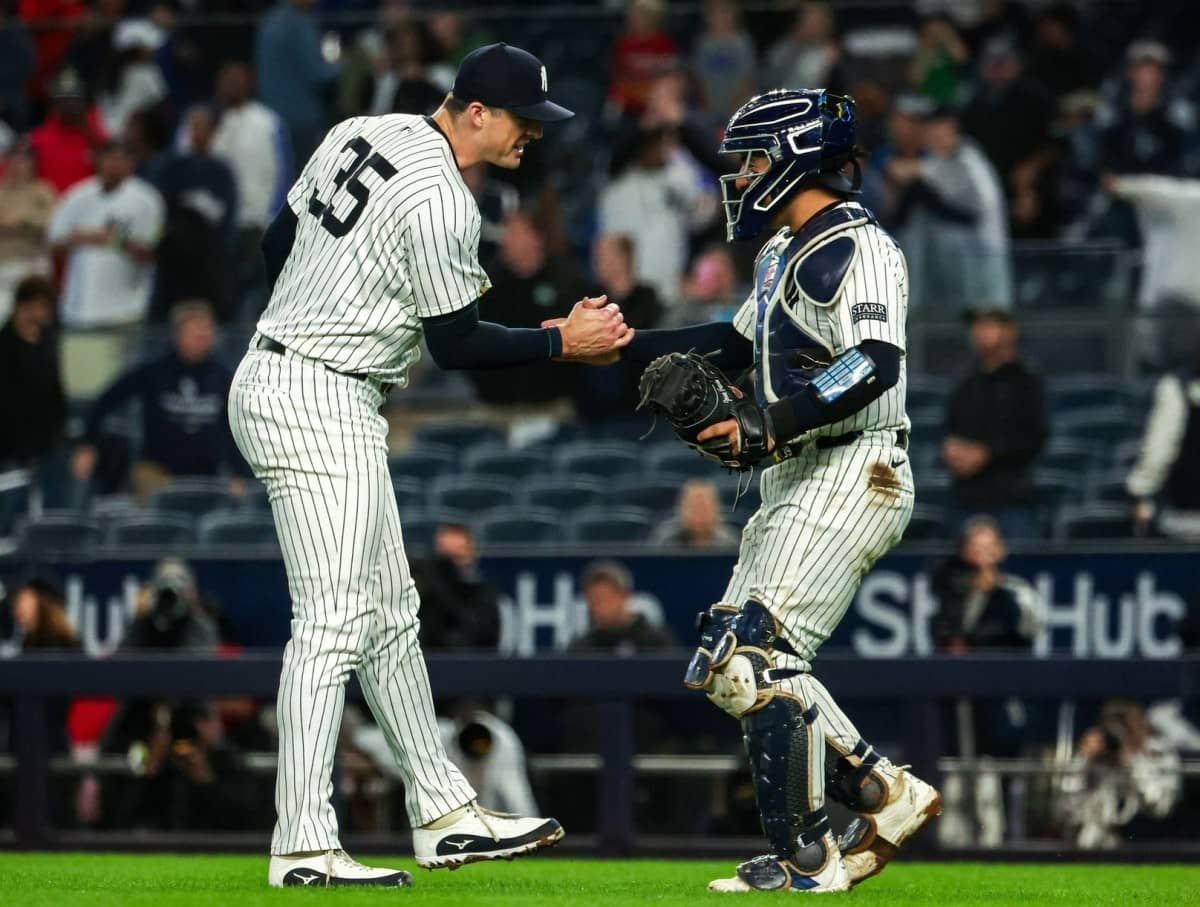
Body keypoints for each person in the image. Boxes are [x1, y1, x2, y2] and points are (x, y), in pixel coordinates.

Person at [228, 43, 631, 887]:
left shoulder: (361, 129)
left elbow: (277, 242)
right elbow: (458, 346)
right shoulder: (442, 199)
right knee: (335, 621)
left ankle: (444, 811)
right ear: (475, 112)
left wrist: (314, 314)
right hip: (315, 391)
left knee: (390, 612)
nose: (533, 135)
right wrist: (563, 338)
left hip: (296, 375)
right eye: (522, 120)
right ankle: (302, 842)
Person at [614, 89, 939, 892]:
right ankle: (878, 789)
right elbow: (730, 342)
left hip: (856, 462)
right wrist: (613, 345)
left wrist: (767, 423)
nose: (744, 175)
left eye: (754, 158)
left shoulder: (861, 247)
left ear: (795, 155)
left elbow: (875, 363)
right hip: (799, 468)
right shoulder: (779, 251)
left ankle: (810, 854)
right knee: (730, 663)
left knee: (753, 652)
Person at [70, 301, 248, 500]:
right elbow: (107, 400)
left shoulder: (223, 375)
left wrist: (239, 473)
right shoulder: (153, 369)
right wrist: (87, 444)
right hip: (157, 471)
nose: (203, 336)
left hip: (209, 476)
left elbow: (237, 426)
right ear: (178, 335)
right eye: (196, 331)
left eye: (207, 330)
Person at [888, 104, 1011, 312]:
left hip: (983, 260)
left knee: (988, 323)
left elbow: (974, 211)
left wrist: (916, 180)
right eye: (928, 130)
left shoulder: (969, 159)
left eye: (936, 129)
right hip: (954, 266)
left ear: (951, 127)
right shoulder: (941, 159)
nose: (930, 136)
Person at [942, 310, 1048, 540]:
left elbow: (1035, 437)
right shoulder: (965, 381)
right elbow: (949, 430)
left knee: (1018, 569)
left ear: (1010, 331)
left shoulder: (1026, 381)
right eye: (976, 325)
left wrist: (987, 453)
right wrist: (951, 450)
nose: (979, 331)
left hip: (1011, 499)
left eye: (988, 324)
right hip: (966, 497)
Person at [46, 139, 165, 328]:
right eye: (109, 158)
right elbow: (54, 243)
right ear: (98, 160)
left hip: (126, 307)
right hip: (79, 305)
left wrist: (114, 239)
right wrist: (81, 238)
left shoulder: (147, 199)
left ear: (132, 163)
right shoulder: (78, 194)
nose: (114, 164)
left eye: (121, 159)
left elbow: (151, 251)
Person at [206, 61, 291, 317]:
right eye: (226, 79)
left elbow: (284, 172)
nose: (231, 85)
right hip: (217, 225)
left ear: (248, 83)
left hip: (256, 222)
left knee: (259, 295)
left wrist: (272, 217)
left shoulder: (267, 122)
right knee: (222, 294)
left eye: (237, 79)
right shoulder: (206, 122)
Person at [1127, 347, 1200, 541]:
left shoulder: (1175, 389)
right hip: (1186, 516)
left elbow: (1159, 452)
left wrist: (1140, 491)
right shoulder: (1178, 389)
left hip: (1185, 518)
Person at [255, 0, 338, 165]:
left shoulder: (268, 21)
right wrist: (343, 66)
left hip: (269, 120)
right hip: (301, 121)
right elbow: (317, 74)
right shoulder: (300, 24)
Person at [0, 276, 66, 468]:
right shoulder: (5, 347)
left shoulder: (46, 343)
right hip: (10, 448)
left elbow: (54, 389)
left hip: (45, 443)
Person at [414, 522, 500, 651]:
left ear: (471, 554)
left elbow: (484, 637)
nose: (451, 565)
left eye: (457, 557)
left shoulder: (482, 593)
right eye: (445, 557)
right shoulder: (422, 594)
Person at [28, 67, 109, 194]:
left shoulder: (96, 134)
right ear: (55, 105)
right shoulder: (38, 138)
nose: (70, 106)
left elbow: (109, 165)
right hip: (49, 204)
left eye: (75, 100)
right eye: (65, 100)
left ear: (84, 104)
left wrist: (88, 130)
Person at [570, 560, 676, 654]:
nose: (597, 607)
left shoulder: (657, 642)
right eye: (592, 601)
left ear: (625, 595)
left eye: (603, 598)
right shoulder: (583, 648)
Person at [0, 141, 56, 317]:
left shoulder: (44, 192)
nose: (18, 166)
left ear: (33, 164)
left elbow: (53, 225)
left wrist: (22, 222)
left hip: (33, 265)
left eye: (24, 161)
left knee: (33, 322)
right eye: (14, 160)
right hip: (4, 266)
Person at [691, 0, 755, 121]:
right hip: (709, 109)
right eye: (714, 12)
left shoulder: (742, 43)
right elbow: (698, 78)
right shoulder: (702, 43)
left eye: (725, 11)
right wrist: (706, 105)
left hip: (736, 108)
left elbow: (747, 79)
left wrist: (735, 107)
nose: (719, 17)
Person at [651, 479, 739, 548]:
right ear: (682, 509)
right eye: (694, 507)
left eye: (704, 508)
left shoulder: (730, 544)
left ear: (716, 510)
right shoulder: (665, 541)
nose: (699, 514)